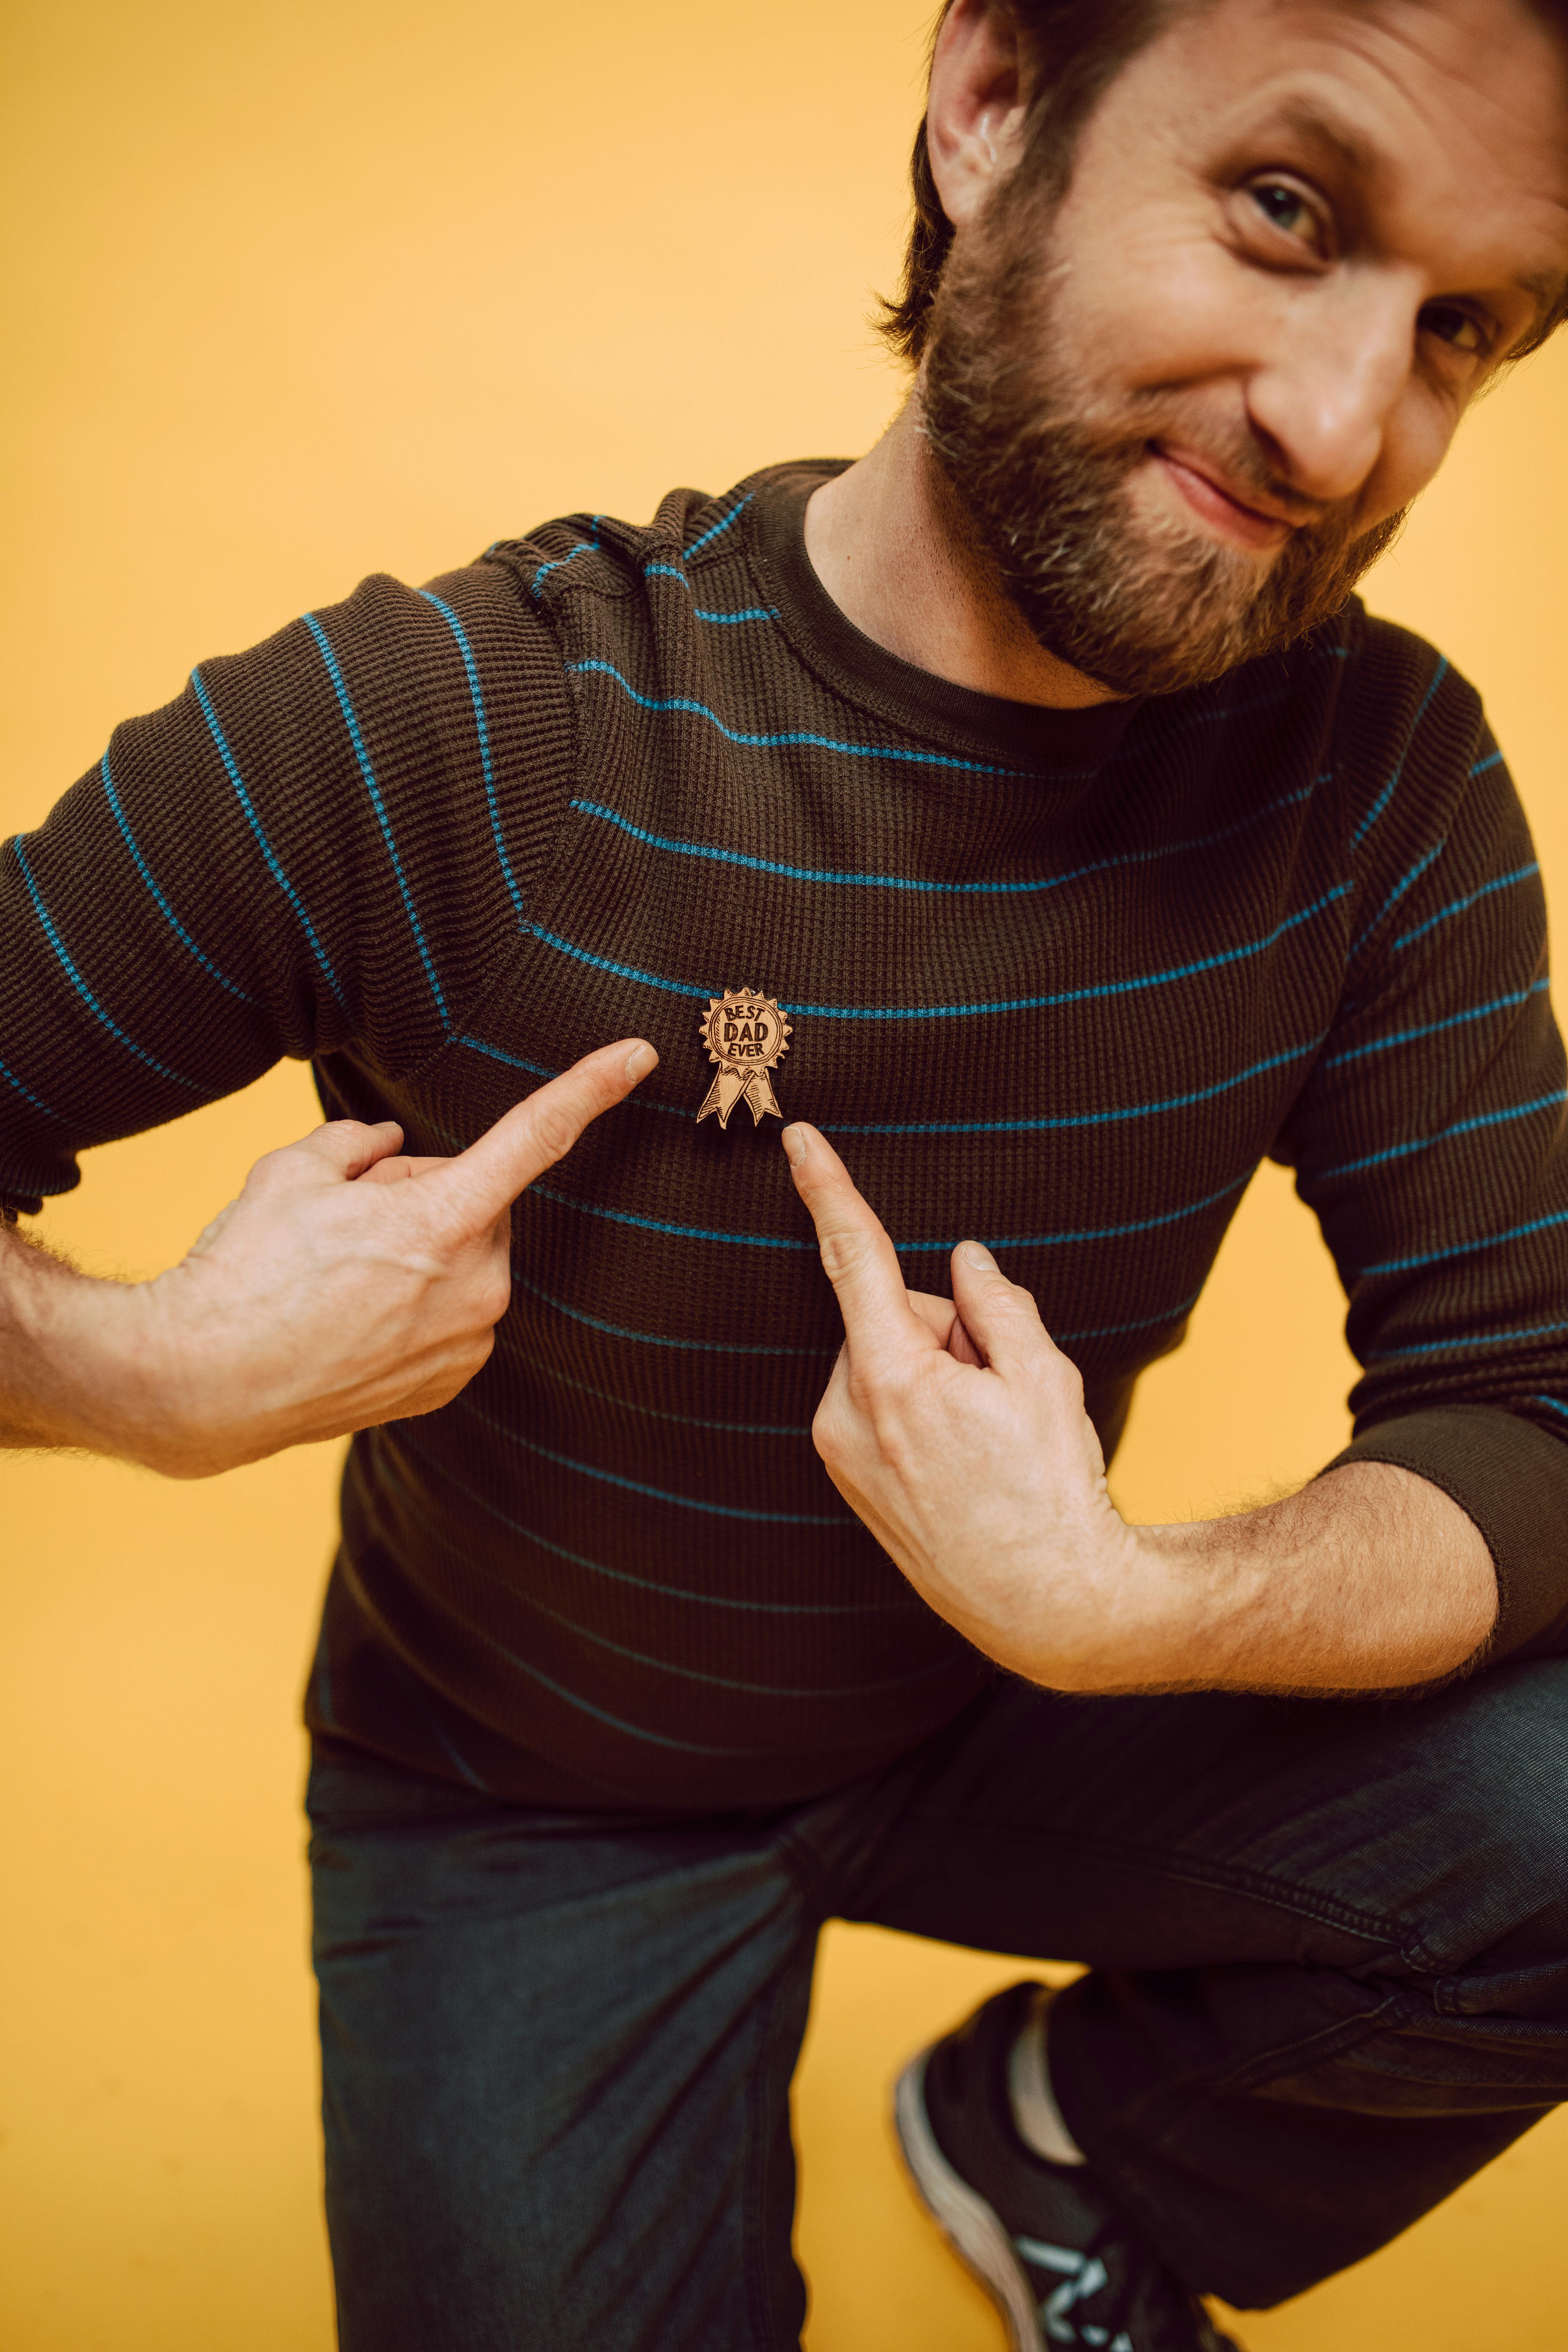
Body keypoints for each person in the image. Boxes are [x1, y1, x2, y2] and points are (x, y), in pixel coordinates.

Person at [4, 0, 1568, 2342]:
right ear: (992, 104)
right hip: (534, 1807)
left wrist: (1127, 1611)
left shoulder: (1379, 781)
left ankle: (1071, 2154)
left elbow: (1532, 1414)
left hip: (1025, 1710)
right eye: (1284, 211)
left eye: (1462, 326)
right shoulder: (461, 734)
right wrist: (144, 1377)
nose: (1348, 429)